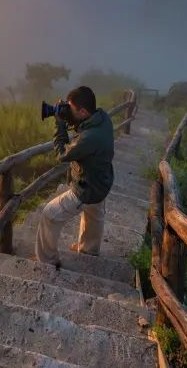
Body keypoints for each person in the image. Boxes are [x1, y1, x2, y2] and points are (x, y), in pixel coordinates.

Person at [34, 85, 114, 267]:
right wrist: (73, 118)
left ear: (84, 111)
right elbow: (83, 129)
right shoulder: (102, 118)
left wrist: (60, 123)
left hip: (86, 188)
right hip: (102, 180)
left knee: (50, 215)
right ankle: (89, 250)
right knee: (94, 215)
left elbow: (63, 154)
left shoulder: (90, 137)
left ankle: (47, 260)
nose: (67, 110)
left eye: (71, 108)